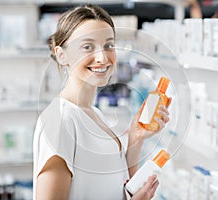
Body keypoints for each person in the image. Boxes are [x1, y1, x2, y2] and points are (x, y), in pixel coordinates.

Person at [33, 4, 171, 200]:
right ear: (61, 55)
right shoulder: (60, 120)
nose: (102, 57)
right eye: (87, 47)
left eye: (108, 45)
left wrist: (135, 138)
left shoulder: (94, 113)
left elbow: (116, 184)